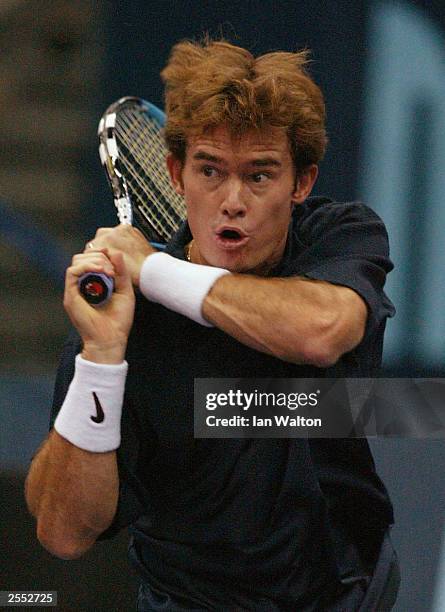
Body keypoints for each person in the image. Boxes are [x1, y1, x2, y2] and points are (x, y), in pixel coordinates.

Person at [25, 39, 399, 610]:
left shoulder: (338, 236)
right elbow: (63, 531)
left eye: (259, 176)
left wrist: (153, 269)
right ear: (175, 173)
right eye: (209, 170)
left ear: (300, 184)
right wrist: (100, 359)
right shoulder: (124, 324)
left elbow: (322, 331)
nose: (231, 200)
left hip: (347, 591)